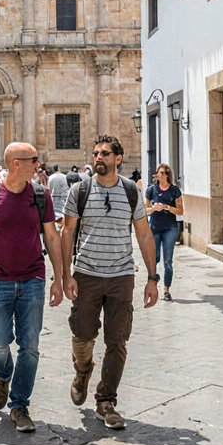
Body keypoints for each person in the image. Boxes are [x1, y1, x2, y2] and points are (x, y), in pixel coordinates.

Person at [0, 143, 64, 433]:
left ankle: (20, 406)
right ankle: (2, 373)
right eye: (34, 160)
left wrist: (59, 277)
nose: (38, 164)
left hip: (33, 278)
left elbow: (52, 237)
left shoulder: (41, 195)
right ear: (16, 163)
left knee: (30, 347)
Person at [61, 135, 159, 430]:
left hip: (121, 277)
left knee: (117, 341)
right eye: (95, 153)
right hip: (87, 274)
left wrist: (152, 278)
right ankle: (83, 370)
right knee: (82, 334)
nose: (98, 157)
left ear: (118, 158)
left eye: (104, 153)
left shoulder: (130, 192)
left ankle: (106, 401)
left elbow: (143, 233)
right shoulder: (79, 191)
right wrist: (65, 275)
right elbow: (67, 233)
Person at [145, 164, 184, 302]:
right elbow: (145, 209)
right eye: (159, 172)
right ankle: (153, 285)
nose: (160, 175)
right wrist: (154, 208)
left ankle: (166, 289)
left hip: (170, 228)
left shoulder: (174, 191)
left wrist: (167, 207)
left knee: (168, 261)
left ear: (167, 175)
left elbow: (180, 211)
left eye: (163, 173)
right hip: (154, 227)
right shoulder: (151, 190)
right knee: (154, 259)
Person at [47, 163, 70, 234]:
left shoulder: (50, 178)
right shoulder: (65, 177)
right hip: (64, 203)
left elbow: (49, 190)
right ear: (59, 169)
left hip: (54, 203)